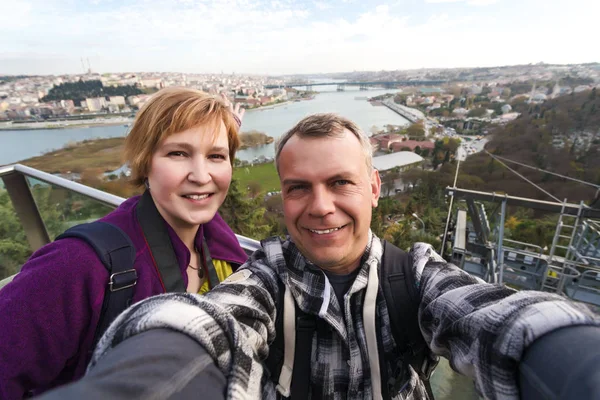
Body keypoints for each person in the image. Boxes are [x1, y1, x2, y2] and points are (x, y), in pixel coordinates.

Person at [39, 114, 600, 400]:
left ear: (375, 187)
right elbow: (210, 323)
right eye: (299, 188)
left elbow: (500, 320)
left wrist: (572, 360)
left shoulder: (415, 278)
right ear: (282, 198)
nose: (321, 207)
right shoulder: (262, 279)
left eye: (341, 183)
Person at [0, 87, 249, 399]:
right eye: (178, 153)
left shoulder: (213, 241)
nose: (201, 175)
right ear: (145, 164)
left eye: (216, 156)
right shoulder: (77, 264)